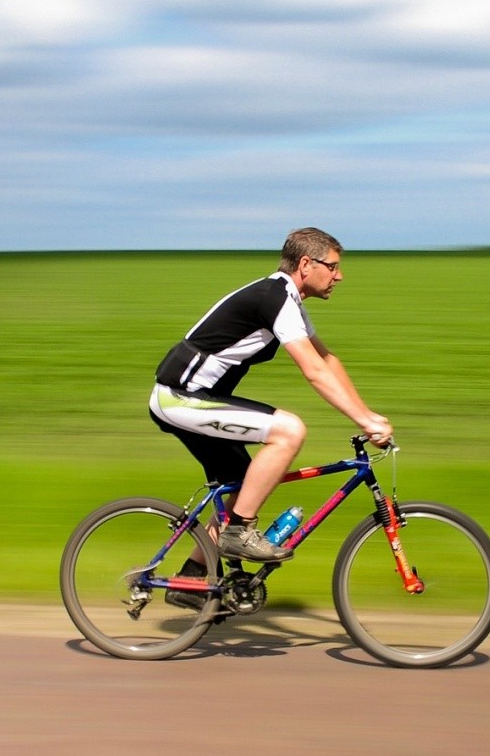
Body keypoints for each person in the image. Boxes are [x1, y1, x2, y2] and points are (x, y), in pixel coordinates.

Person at [150, 227, 393, 571]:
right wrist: (364, 422)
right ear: (306, 264)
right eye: (333, 266)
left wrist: (369, 413)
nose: (339, 275)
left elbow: (327, 361)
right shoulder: (275, 298)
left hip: (195, 399)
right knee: (289, 431)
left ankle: (192, 579)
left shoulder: (286, 300)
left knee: (244, 488)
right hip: (179, 398)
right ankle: (238, 533)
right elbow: (313, 371)